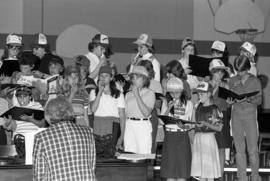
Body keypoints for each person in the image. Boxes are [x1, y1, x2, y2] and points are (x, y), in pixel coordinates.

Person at [32, 96, 96, 181]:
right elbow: (92, 166)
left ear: (47, 115)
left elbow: (39, 176)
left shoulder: (41, 137)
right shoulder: (87, 132)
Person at [227, 55, 262, 181]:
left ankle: (255, 176)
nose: (239, 73)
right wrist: (229, 101)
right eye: (237, 70)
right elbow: (227, 100)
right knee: (239, 150)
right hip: (236, 116)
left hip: (250, 116)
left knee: (252, 150)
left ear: (247, 68)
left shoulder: (255, 81)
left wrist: (249, 98)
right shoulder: (232, 80)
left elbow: (259, 100)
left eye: (242, 70)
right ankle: (242, 177)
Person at [160, 77, 193, 181]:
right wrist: (168, 108)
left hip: (182, 136)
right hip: (170, 136)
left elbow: (188, 122)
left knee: (182, 171)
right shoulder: (166, 102)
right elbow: (162, 121)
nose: (174, 95)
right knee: (169, 170)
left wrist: (183, 125)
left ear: (182, 91)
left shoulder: (189, 104)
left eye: (177, 92)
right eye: (172, 93)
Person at [191, 81, 223, 181]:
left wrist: (206, 124)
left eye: (202, 94)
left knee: (209, 170)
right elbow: (193, 123)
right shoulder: (197, 107)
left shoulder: (214, 108)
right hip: (198, 138)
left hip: (208, 139)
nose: (199, 96)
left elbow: (219, 128)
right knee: (201, 171)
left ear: (209, 94)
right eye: (198, 94)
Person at [90, 65, 125, 148]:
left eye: (106, 76)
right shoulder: (93, 92)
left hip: (113, 124)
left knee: (111, 152)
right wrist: (99, 92)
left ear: (111, 77)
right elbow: (93, 109)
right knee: (99, 153)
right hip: (98, 124)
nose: (103, 78)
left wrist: (122, 136)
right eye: (101, 76)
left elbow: (122, 116)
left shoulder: (118, 93)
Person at [208, 59, 231, 180]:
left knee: (222, 148)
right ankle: (211, 175)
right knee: (211, 148)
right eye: (218, 72)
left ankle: (221, 176)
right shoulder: (207, 84)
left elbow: (227, 105)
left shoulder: (226, 85)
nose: (220, 75)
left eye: (222, 73)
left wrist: (229, 103)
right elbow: (204, 101)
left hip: (223, 117)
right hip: (210, 116)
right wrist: (215, 88)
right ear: (212, 72)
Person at [124, 66, 156, 154]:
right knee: (129, 154)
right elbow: (125, 113)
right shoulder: (128, 94)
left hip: (142, 125)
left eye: (137, 78)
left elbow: (146, 113)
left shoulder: (150, 93)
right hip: (129, 125)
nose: (134, 80)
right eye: (133, 78)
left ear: (144, 79)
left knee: (143, 154)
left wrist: (137, 95)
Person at [138, 60, 163, 153]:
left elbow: (158, 104)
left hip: (152, 115)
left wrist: (148, 97)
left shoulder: (156, 84)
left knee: (150, 141)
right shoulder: (136, 83)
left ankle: (149, 164)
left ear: (149, 71)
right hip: (138, 114)